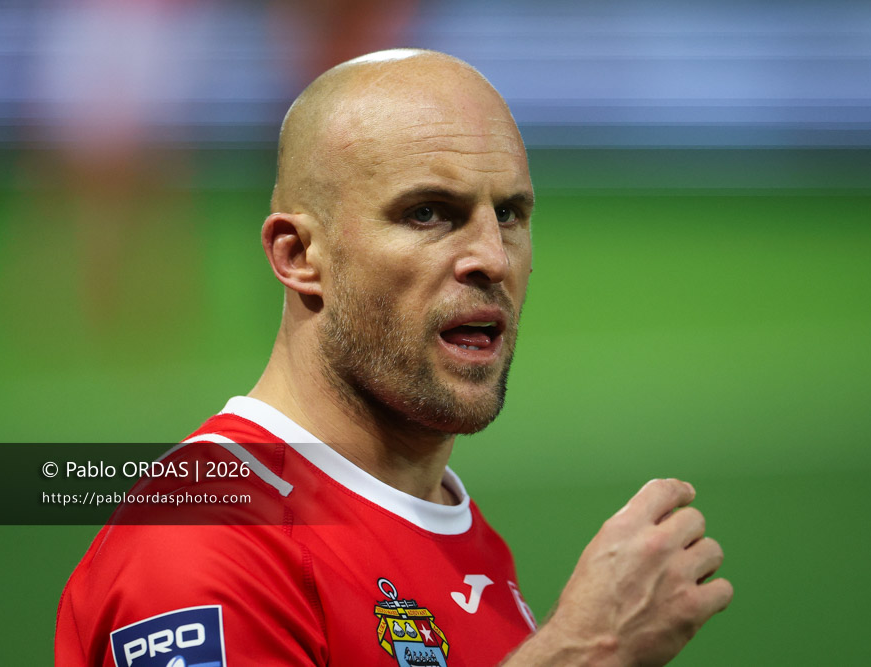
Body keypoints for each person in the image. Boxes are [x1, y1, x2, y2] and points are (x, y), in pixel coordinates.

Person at [55, 48, 732, 667]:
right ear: (299, 256)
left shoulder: (467, 542)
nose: (492, 257)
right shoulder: (205, 538)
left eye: (511, 213)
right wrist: (578, 654)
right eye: (429, 213)